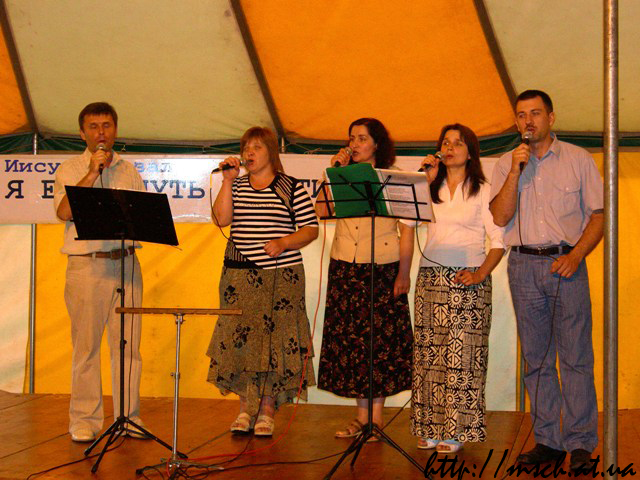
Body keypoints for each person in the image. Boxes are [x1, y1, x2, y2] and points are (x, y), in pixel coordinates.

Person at [490, 90, 603, 471]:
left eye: (535, 113)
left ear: (551, 118)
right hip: (523, 266)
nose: (528, 121)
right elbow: (500, 217)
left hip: (565, 263)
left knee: (575, 358)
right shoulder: (507, 163)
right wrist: (514, 172)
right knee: (536, 360)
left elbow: (599, 215)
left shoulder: (578, 159)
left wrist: (576, 255)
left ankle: (581, 443)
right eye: (522, 115)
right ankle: (548, 441)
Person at [207, 126, 318, 437]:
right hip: (238, 275)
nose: (249, 153)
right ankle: (245, 408)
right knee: (241, 341)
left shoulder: (290, 187)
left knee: (274, 342)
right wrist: (228, 181)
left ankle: (267, 409)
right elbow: (220, 219)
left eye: (256, 147)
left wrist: (284, 242)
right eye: (246, 147)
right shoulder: (236, 185)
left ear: (271, 151)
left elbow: (311, 228)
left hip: (280, 276)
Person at [316, 118, 414, 439]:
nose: (354, 144)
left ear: (377, 144)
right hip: (346, 266)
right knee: (353, 343)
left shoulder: (394, 178)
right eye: (351, 138)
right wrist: (331, 174)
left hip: (383, 268)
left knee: (379, 344)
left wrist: (403, 273)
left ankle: (376, 419)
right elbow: (322, 212)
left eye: (361, 138)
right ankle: (361, 418)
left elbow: (407, 231)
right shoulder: (338, 175)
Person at [53, 102, 146, 442]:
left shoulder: (128, 170)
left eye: (106, 125)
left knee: (128, 347)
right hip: (86, 265)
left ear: (115, 130)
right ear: (82, 133)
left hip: (126, 264)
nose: (101, 132)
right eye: (93, 127)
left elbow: (143, 216)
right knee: (87, 348)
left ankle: (128, 417)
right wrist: (92, 173)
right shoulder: (70, 168)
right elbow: (64, 212)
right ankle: (84, 419)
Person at [410, 124, 504, 453]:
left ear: (471, 152)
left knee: (462, 359)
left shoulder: (483, 190)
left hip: (467, 280)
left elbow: (499, 241)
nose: (449, 148)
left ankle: (456, 432)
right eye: (445, 143)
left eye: (458, 143)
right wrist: (424, 180)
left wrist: (480, 274)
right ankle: (430, 427)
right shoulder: (428, 187)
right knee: (429, 357)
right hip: (429, 279)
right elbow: (407, 220)